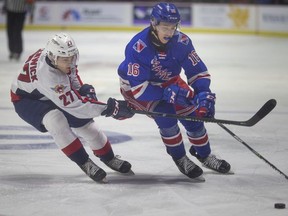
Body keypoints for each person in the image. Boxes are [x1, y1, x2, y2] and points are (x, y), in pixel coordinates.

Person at [118, 2, 231, 181]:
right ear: (153, 23)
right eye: (165, 27)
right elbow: (139, 89)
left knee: (194, 116)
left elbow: (197, 71)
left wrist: (202, 93)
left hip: (170, 81)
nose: (170, 32)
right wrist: (166, 94)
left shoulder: (182, 42)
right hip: (137, 88)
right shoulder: (138, 46)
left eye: (173, 27)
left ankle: (204, 155)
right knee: (166, 114)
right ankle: (180, 157)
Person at [10, 32, 135, 183]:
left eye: (72, 57)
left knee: (86, 125)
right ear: (53, 58)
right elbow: (76, 106)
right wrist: (109, 108)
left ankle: (109, 158)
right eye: (65, 59)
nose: (69, 62)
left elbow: (72, 76)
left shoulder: (60, 57)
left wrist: (82, 89)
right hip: (26, 100)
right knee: (56, 121)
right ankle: (84, 162)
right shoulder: (47, 76)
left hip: (47, 91)